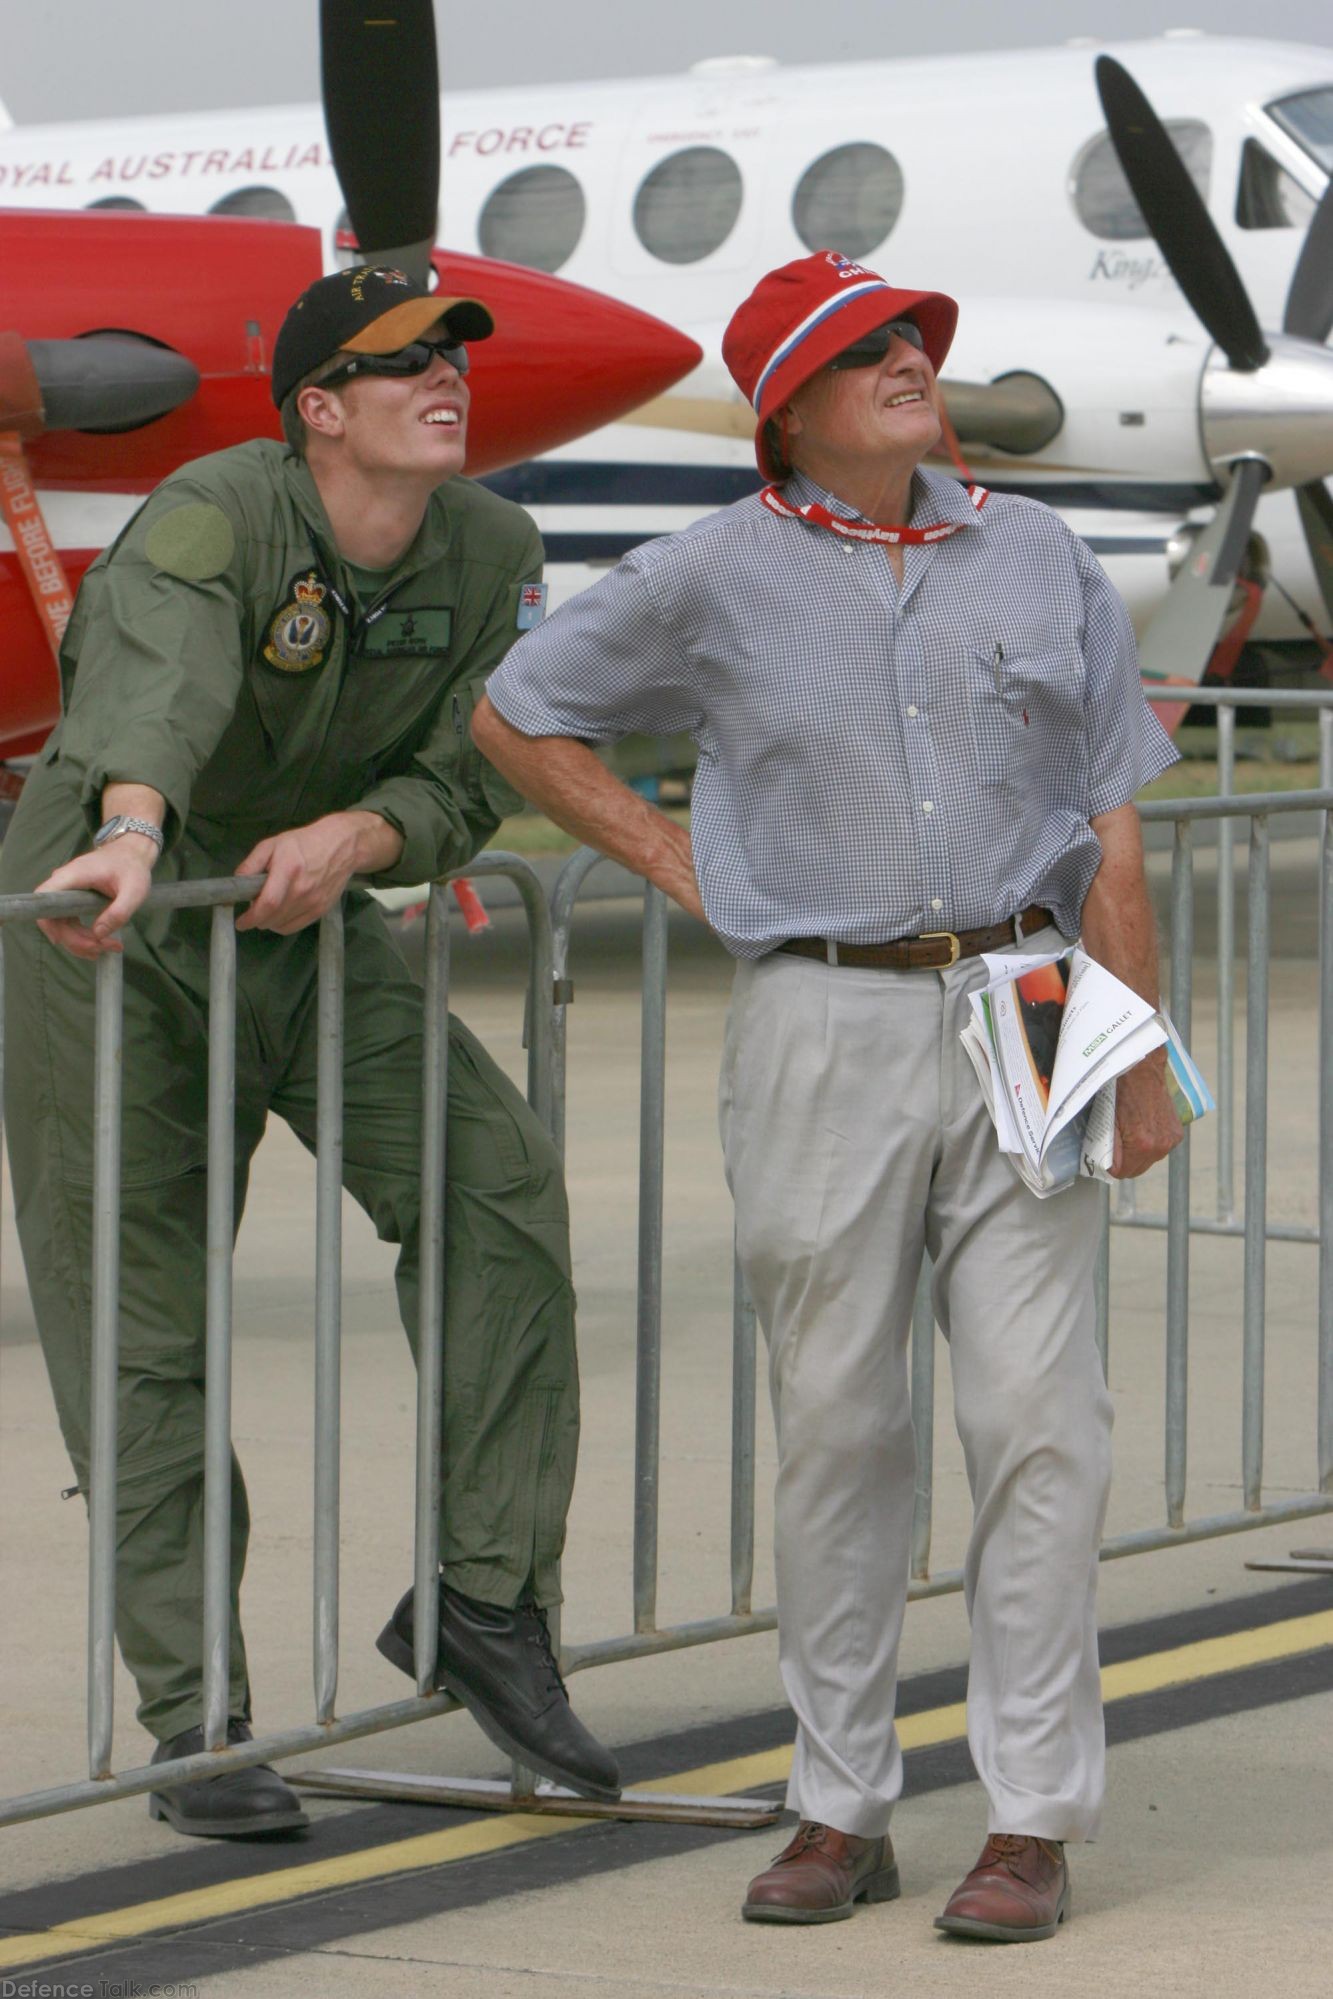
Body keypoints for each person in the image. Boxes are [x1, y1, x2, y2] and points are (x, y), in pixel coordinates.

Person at [472, 249, 1183, 1941]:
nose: (907, 362)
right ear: (786, 406)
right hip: (820, 1024)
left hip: (1026, 999)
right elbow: (518, 712)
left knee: (1041, 1427)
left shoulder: (1033, 550)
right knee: (841, 1427)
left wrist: (1141, 1046)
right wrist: (669, 857)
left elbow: (1114, 811)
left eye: (913, 340)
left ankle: (1028, 1818)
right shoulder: (710, 569)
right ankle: (838, 1801)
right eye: (863, 350)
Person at [1, 264, 620, 1837]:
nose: (450, 379)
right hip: (119, 927)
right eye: (405, 362)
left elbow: (471, 760)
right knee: (145, 1325)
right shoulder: (219, 510)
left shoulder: (492, 546)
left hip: (307, 919)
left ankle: (486, 1601)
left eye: (456, 358)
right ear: (318, 410)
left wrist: (366, 830)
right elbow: (154, 686)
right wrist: (132, 829)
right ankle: (195, 1716)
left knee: (496, 1190)